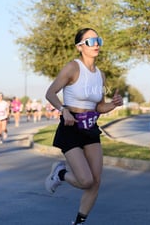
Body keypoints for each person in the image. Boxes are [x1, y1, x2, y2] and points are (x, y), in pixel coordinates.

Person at [45, 28, 123, 225]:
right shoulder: (73, 68)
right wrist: (63, 109)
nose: (96, 44)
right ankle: (60, 173)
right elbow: (50, 93)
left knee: (95, 182)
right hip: (71, 126)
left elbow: (99, 106)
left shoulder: (100, 75)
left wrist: (113, 104)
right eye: (90, 41)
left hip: (90, 128)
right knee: (85, 180)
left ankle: (78, 223)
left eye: (98, 40)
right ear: (79, 47)